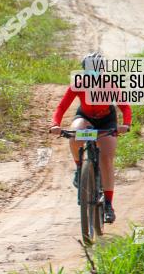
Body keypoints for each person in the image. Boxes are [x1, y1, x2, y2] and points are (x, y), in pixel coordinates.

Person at [48, 52, 132, 224]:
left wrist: (126, 125)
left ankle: (108, 204)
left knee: (106, 159)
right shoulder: (78, 85)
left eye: (97, 71)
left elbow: (125, 108)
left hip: (106, 121)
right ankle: (79, 169)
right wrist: (55, 125)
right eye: (89, 71)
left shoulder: (110, 86)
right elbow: (61, 106)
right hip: (85, 118)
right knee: (74, 135)